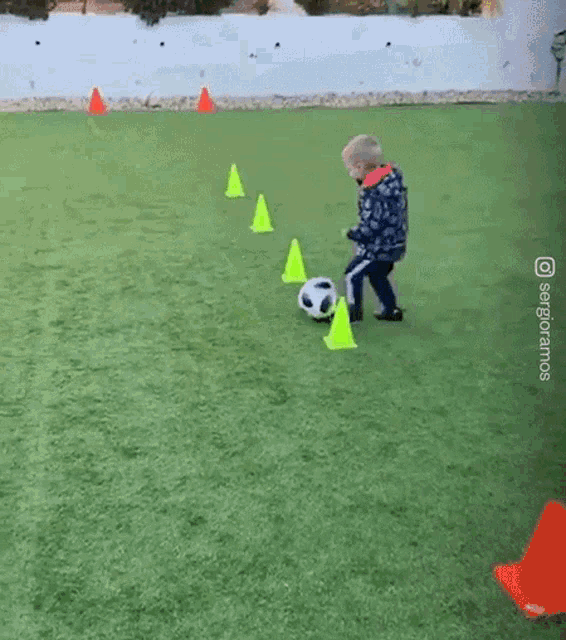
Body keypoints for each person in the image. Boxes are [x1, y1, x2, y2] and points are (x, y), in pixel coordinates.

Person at [339, 134, 408, 324]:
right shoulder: (391, 180)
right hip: (395, 244)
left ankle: (353, 316)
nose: (349, 173)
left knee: (352, 275)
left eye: (350, 169)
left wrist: (354, 233)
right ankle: (390, 310)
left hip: (378, 248)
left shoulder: (373, 193)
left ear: (360, 167)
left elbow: (372, 226)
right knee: (377, 276)